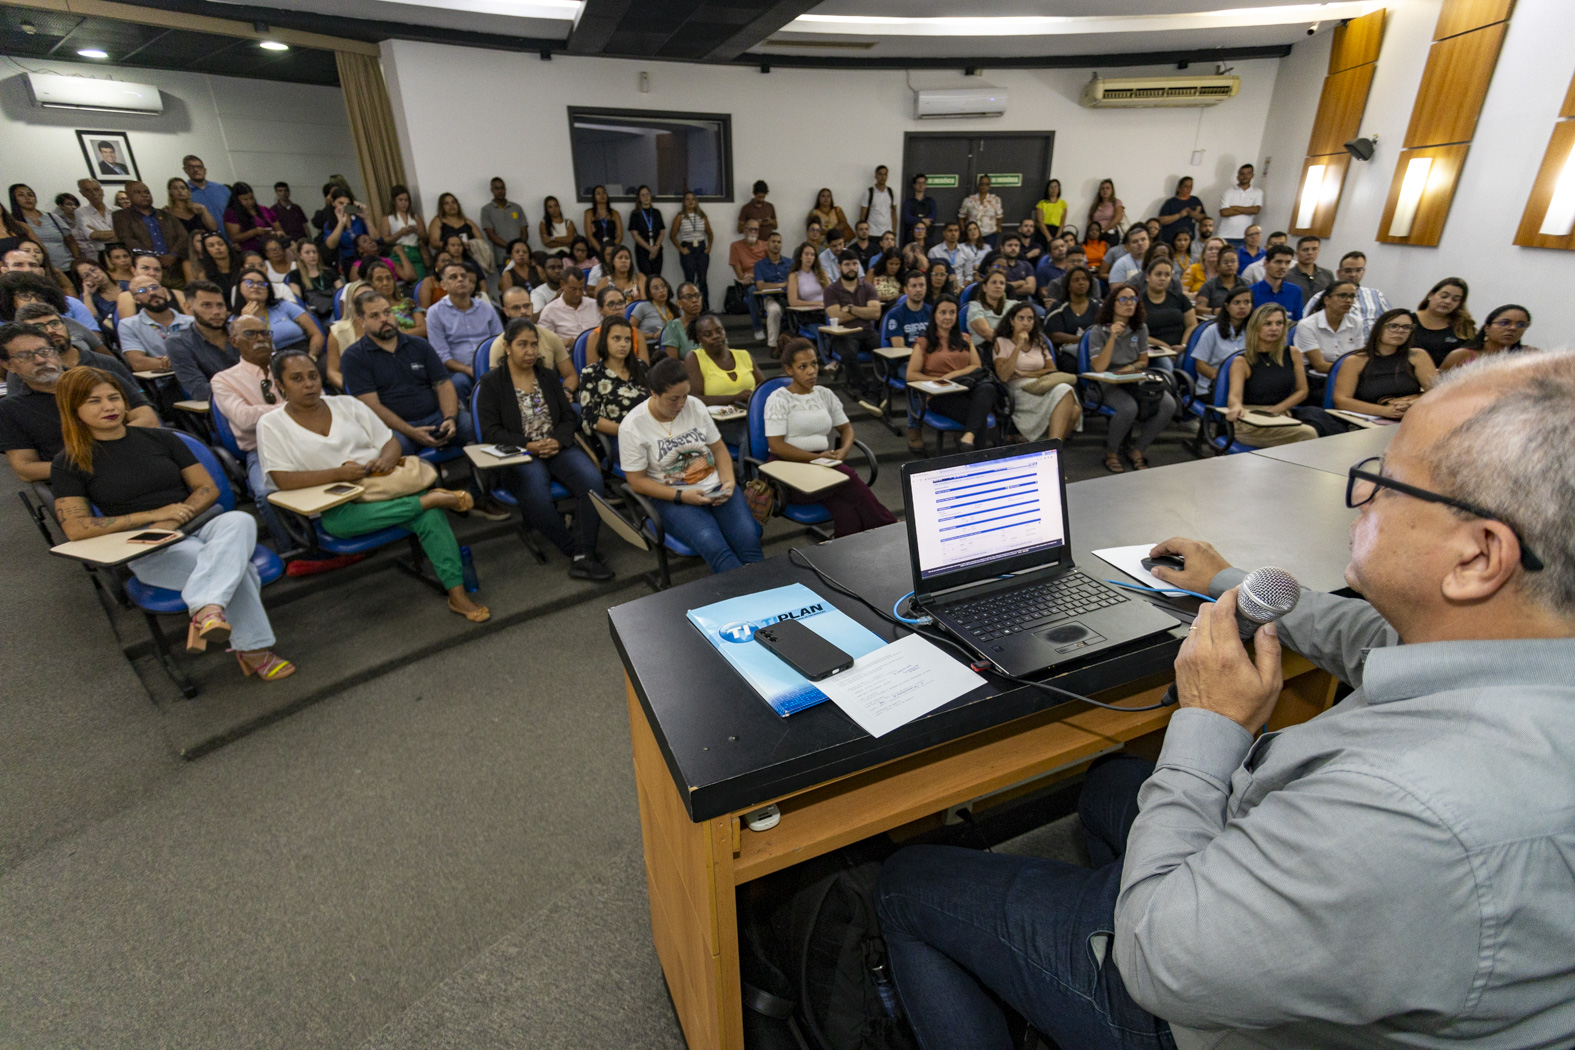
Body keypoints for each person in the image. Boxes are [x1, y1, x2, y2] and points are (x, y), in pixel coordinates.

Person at [878, 350, 1575, 1050]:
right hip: (1313, 894)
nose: (1361, 497)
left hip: (1182, 998)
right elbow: (1371, 637)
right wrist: (1228, 581)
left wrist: (1208, 722)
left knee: (909, 880)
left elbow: (1156, 964)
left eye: (1386, 483)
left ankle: (1070, 978)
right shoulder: (1516, 648)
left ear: (1477, 556)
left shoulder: (1403, 810)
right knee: (1109, 782)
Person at [50, 366, 293, 677]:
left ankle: (205, 609)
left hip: (196, 522)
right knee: (237, 568)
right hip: (146, 542)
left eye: (114, 397)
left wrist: (178, 516)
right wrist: (154, 516)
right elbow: (76, 527)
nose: (109, 407)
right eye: (94, 401)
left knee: (240, 520)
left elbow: (207, 489)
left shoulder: (161, 438)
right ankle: (253, 649)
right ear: (73, 409)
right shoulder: (69, 462)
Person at [259, 348, 490, 622]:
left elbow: (390, 442)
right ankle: (427, 500)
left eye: (312, 376)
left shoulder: (347, 404)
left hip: (383, 485)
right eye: (297, 379)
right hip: (339, 501)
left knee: (430, 518)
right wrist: (338, 474)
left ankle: (457, 594)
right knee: (339, 524)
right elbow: (282, 479)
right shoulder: (271, 424)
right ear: (280, 384)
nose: (309, 384)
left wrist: (387, 459)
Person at [476, 317, 613, 580]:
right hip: (521, 454)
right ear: (507, 347)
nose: (530, 351)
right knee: (537, 497)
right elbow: (490, 431)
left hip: (556, 446)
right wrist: (529, 445)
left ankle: (583, 554)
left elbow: (568, 416)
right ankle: (578, 552)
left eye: (534, 345)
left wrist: (558, 440)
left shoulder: (547, 376)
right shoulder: (492, 382)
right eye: (522, 345)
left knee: (592, 481)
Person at [619, 356, 762, 574]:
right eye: (673, 399)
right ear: (654, 393)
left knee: (748, 538)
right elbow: (636, 482)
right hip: (672, 497)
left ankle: (767, 591)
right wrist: (681, 496)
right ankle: (745, 593)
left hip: (715, 487)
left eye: (685, 396)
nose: (681, 404)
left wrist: (728, 483)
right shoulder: (633, 425)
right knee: (713, 544)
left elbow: (719, 449)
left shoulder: (694, 405)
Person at [765, 336, 897, 537]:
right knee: (847, 477)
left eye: (814, 364)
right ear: (789, 370)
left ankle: (848, 555)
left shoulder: (824, 394)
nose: (811, 371)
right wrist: (816, 458)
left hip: (821, 466)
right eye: (802, 367)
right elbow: (776, 446)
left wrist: (843, 451)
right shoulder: (779, 399)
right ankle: (891, 528)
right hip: (786, 472)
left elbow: (847, 429)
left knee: (848, 513)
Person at [0, 324, 156, 482]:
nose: (40, 360)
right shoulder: (10, 409)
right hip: (84, 479)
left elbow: (149, 420)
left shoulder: (102, 380)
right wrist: (90, 464)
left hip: (138, 459)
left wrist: (110, 449)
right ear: (8, 365)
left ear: (56, 353)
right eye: (25, 356)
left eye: (44, 351)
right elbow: (26, 469)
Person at [339, 291, 468, 458]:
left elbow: (443, 383)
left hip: (436, 417)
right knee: (396, 450)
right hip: (395, 427)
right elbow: (372, 406)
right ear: (361, 322)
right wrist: (411, 432)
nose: (384, 319)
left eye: (387, 312)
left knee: (476, 426)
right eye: (375, 316)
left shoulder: (419, 344)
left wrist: (450, 417)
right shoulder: (353, 357)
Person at [1087, 286, 1173, 472]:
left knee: (1168, 404)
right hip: (1106, 381)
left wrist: (1129, 369)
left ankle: (1137, 450)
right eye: (1123, 299)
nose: (1129, 303)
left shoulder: (1140, 328)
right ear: (1112, 304)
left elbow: (1143, 361)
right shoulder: (1098, 331)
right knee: (1128, 408)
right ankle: (1111, 453)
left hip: (1131, 377)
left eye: (1133, 299)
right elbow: (1099, 367)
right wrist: (1112, 337)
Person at [905, 296, 996, 453]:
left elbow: (976, 366)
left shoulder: (965, 339)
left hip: (965, 388)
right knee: (977, 417)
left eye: (952, 312)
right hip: (940, 395)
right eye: (943, 312)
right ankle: (976, 454)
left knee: (988, 388)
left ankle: (968, 438)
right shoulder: (924, 342)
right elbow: (911, 375)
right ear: (934, 315)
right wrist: (938, 380)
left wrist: (953, 375)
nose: (947, 317)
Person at [1219, 303, 1318, 446]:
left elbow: (1302, 391)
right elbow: (1234, 396)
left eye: (1279, 323)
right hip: (1251, 419)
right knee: (1308, 434)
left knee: (1319, 430)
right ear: (1256, 326)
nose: (1274, 328)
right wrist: (1236, 407)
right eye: (1267, 324)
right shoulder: (1242, 361)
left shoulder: (1293, 353)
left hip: (1281, 415)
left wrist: (1276, 410)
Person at [1329, 306, 1438, 422]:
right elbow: (1342, 401)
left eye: (1407, 327)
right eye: (1393, 326)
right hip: (1369, 420)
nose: (1400, 331)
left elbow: (1438, 391)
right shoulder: (1355, 361)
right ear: (1379, 328)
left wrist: (1411, 403)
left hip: (1413, 416)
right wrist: (1385, 411)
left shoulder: (1418, 356)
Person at [992, 301, 1080, 443]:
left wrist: (1026, 374)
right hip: (1017, 389)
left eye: (1030, 319)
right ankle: (1054, 447)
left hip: (1041, 384)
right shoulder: (1001, 342)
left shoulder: (1039, 341)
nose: (1026, 323)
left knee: (1074, 409)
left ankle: (1052, 445)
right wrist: (1018, 345)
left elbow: (1051, 370)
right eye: (1021, 318)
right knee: (1067, 395)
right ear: (1012, 321)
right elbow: (1004, 376)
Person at [6, 303, 129, 395]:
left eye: (55, 323)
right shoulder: (22, 373)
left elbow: (136, 401)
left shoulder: (106, 363)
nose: (51, 330)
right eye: (39, 327)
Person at [682, 313, 763, 448]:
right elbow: (695, 398)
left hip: (752, 415)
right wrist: (735, 398)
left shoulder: (744, 355)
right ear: (699, 339)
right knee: (751, 437)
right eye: (708, 334)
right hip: (717, 422)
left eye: (719, 331)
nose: (715, 336)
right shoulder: (694, 358)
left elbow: (764, 388)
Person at [424, 261, 502, 401]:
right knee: (459, 383)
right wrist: (470, 370)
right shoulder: (435, 313)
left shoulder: (486, 308)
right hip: (459, 372)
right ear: (443, 285)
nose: (460, 279)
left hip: (490, 365)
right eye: (453, 277)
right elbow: (441, 355)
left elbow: (500, 341)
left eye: (463, 276)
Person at [485, 284, 575, 390]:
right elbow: (496, 386)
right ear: (506, 311)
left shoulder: (550, 337)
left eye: (526, 306)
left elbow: (571, 375)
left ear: (532, 306)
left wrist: (566, 392)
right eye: (516, 308)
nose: (523, 311)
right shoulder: (500, 344)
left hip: (549, 394)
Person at [165, 280, 240, 400]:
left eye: (220, 305)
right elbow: (199, 391)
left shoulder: (242, 332)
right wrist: (247, 387)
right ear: (188, 308)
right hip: (220, 405)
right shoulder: (178, 342)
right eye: (207, 305)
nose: (216, 312)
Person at [579, 314, 650, 438]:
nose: (623, 344)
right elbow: (591, 419)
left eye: (627, 339)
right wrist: (628, 431)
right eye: (616, 338)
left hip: (650, 430)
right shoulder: (591, 373)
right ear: (604, 340)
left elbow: (656, 401)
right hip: (618, 436)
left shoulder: (640, 366)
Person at [231, 266, 322, 357]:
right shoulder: (234, 320)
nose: (256, 286)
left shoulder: (283, 306)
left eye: (261, 283)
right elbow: (244, 350)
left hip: (303, 353)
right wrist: (246, 321)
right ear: (239, 287)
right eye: (249, 282)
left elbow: (316, 334)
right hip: (265, 360)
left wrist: (311, 357)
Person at [1302, 251, 1391, 344]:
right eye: (1348, 271)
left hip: (1371, 347)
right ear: (1339, 273)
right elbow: (1304, 328)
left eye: (1358, 270)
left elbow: (1391, 322)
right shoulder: (1321, 297)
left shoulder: (1376, 296)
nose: (1353, 274)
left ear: (1363, 272)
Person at [118, 273, 194, 372]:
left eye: (154, 287)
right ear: (136, 300)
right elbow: (138, 363)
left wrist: (171, 361)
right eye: (142, 291)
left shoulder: (192, 322)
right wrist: (178, 362)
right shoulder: (128, 325)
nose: (151, 293)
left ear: (164, 291)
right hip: (162, 378)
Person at [111, 181, 188, 278]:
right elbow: (127, 240)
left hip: (176, 266)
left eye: (147, 192)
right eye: (138, 192)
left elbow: (183, 236)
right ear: (129, 196)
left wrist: (173, 255)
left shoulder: (166, 214)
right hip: (146, 269)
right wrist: (154, 257)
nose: (144, 195)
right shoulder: (121, 216)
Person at [823, 250, 882, 373]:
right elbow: (837, 317)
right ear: (839, 267)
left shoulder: (868, 287)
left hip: (867, 331)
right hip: (843, 334)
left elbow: (876, 313)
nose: (852, 268)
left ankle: (880, 383)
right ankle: (860, 384)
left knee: (884, 351)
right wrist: (864, 312)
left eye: (855, 264)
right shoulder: (831, 290)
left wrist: (851, 309)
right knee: (849, 354)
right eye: (847, 264)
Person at [1190, 284, 1254, 397]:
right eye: (1237, 303)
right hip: (1212, 388)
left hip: (1244, 389)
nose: (1242, 307)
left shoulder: (1253, 332)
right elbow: (1200, 366)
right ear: (1227, 306)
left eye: (1247, 302)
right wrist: (1224, 379)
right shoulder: (1212, 331)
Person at [1292, 278, 1362, 373]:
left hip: (1349, 374)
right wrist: (1352, 370)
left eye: (1352, 296)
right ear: (1327, 300)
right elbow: (1320, 366)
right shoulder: (1307, 325)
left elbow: (1359, 358)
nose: (1348, 300)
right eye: (1342, 296)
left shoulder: (1356, 323)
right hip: (1317, 377)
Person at [1136, 258, 1196, 362]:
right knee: (1165, 363)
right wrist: (1164, 346)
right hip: (1152, 349)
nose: (1163, 278)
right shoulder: (1137, 302)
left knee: (1191, 361)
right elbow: (1136, 333)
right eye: (1158, 274)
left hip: (1180, 349)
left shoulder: (1180, 298)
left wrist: (1183, 345)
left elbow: (1191, 325)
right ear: (1148, 277)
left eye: (1167, 275)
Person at [9, 184, 78, 273]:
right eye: (21, 195)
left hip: (68, 266)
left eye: (30, 195)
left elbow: (71, 241)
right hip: (41, 270)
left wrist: (77, 260)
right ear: (14, 199)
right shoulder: (14, 222)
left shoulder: (52, 217)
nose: (27, 198)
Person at [1043, 265, 1101, 370]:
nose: (1081, 283)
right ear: (1068, 286)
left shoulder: (1097, 306)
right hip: (1066, 352)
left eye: (1084, 279)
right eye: (1076, 280)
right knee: (1071, 364)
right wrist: (1083, 340)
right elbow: (1055, 336)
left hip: (1094, 349)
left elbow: (1105, 328)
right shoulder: (1058, 306)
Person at [1442, 304, 1533, 369]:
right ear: (1487, 328)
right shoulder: (1462, 355)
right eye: (1504, 323)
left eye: (1521, 324)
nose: (1513, 328)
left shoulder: (1530, 355)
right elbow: (1440, 386)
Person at [1412, 277, 1475, 367]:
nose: (1448, 301)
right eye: (1444, 296)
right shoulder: (1408, 321)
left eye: (1455, 299)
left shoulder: (1463, 327)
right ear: (1430, 295)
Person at [536, 268, 601, 345]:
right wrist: (562, 343)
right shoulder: (550, 310)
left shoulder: (595, 305)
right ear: (562, 284)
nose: (578, 293)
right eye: (573, 289)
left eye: (581, 289)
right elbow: (544, 342)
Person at [729, 219, 769, 340]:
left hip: (765, 280)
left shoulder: (765, 245)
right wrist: (752, 277)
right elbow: (740, 275)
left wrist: (755, 275)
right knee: (752, 292)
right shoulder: (735, 246)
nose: (753, 231)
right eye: (750, 229)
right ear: (744, 230)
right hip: (748, 283)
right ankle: (758, 328)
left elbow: (769, 268)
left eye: (755, 229)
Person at [380, 184, 426, 282]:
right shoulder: (388, 218)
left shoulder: (415, 217)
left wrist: (417, 232)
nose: (404, 203)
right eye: (400, 200)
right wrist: (400, 233)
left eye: (406, 200)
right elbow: (385, 240)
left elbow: (425, 237)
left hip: (415, 251)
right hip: (398, 252)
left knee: (420, 282)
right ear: (394, 201)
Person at [752, 232, 791, 348]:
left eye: (779, 242)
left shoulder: (790, 263)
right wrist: (782, 284)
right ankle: (773, 346)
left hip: (790, 297)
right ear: (767, 245)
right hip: (771, 298)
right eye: (773, 242)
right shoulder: (759, 265)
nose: (776, 244)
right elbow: (760, 286)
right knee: (774, 310)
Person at [479, 178, 526, 272]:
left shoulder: (516, 208)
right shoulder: (486, 210)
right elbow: (491, 235)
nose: (500, 191)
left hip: (522, 256)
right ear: (492, 190)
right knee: (507, 281)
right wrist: (511, 247)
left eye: (502, 188)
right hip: (502, 257)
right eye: (497, 188)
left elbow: (524, 230)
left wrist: (519, 248)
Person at [289, 240, 342, 324]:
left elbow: (342, 292)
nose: (312, 255)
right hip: (313, 315)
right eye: (307, 252)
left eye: (314, 252)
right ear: (300, 256)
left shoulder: (329, 272)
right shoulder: (295, 275)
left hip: (334, 310)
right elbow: (297, 300)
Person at [322, 189, 373, 273]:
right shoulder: (329, 224)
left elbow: (376, 238)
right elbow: (330, 245)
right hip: (346, 261)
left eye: (348, 204)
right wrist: (341, 223)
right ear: (333, 203)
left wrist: (366, 218)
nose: (344, 207)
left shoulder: (358, 218)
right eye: (341, 203)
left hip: (366, 257)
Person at [882, 270, 933, 349]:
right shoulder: (895, 314)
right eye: (914, 286)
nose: (918, 289)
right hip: (906, 355)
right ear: (906, 290)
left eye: (921, 285)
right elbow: (899, 348)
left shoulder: (932, 311)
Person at [223, 182, 281, 250]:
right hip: (249, 249)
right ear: (237, 200)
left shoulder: (264, 210)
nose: (249, 202)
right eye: (245, 199)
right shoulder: (231, 214)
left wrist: (276, 233)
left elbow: (278, 228)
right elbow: (234, 237)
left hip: (270, 246)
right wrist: (254, 232)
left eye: (251, 198)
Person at [1250, 244, 1303, 317]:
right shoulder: (1252, 292)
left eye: (1287, 263)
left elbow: (1298, 320)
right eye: (1278, 262)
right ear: (1266, 264)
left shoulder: (1295, 291)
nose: (1283, 266)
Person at [786, 241, 828, 330]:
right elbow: (793, 302)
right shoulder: (794, 276)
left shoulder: (822, 273)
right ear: (800, 256)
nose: (809, 257)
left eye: (812, 255)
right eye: (806, 254)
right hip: (809, 315)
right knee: (823, 332)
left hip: (826, 311)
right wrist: (816, 303)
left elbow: (831, 292)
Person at [1216, 162, 1262, 244]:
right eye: (1242, 174)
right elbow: (1224, 212)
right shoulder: (1228, 192)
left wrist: (1235, 207)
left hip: (1244, 236)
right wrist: (1248, 210)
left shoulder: (1257, 192)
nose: (1245, 176)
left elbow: (1255, 210)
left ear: (1252, 175)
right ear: (1238, 176)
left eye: (1248, 173)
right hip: (1225, 235)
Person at [1194, 245, 1245, 318]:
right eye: (1225, 262)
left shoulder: (1243, 284)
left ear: (1238, 264)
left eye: (1233, 261)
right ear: (1218, 266)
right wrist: (1215, 311)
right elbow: (1198, 308)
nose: (1229, 265)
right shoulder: (1209, 285)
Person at [966, 269, 1014, 344]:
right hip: (983, 349)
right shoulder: (975, 306)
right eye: (994, 282)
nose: (998, 286)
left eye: (1002, 283)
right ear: (984, 287)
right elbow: (986, 333)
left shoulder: (1012, 305)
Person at [72, 178, 116, 259]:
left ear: (102, 191)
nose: (93, 193)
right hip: (102, 254)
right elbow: (93, 235)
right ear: (82, 193)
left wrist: (99, 233)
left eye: (96, 189)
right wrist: (118, 233)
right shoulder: (81, 212)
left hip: (123, 250)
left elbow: (127, 234)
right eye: (88, 191)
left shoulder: (117, 210)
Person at [627, 186, 665, 278]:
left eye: (647, 194)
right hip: (642, 251)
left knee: (657, 277)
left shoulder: (656, 212)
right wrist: (649, 249)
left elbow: (662, 231)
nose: (646, 197)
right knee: (646, 277)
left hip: (657, 250)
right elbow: (635, 235)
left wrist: (655, 247)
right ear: (639, 198)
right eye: (643, 195)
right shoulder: (635, 214)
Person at [1157, 176, 1206, 246]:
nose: (1188, 189)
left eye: (1190, 187)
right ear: (1179, 188)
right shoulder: (1171, 202)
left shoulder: (1195, 200)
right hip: (1170, 240)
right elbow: (1161, 220)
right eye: (1186, 187)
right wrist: (1179, 215)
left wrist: (1195, 215)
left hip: (1188, 240)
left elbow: (1204, 218)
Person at [958, 175, 1004, 247]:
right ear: (978, 185)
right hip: (973, 234)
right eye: (981, 184)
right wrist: (964, 230)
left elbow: (999, 216)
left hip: (990, 234)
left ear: (989, 186)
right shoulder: (969, 200)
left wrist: (998, 229)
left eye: (986, 184)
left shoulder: (995, 200)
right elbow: (961, 216)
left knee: (988, 253)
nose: (983, 186)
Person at [926, 222, 977, 286]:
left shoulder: (967, 252)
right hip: (941, 286)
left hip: (961, 287)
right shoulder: (934, 252)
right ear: (944, 233)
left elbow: (969, 276)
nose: (953, 233)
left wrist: (961, 288)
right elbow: (930, 275)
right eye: (950, 231)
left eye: (956, 230)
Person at [631, 274, 676, 343]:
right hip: (648, 345)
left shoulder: (673, 308)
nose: (661, 290)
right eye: (656, 288)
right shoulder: (642, 306)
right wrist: (652, 335)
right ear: (649, 293)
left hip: (669, 345)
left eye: (663, 286)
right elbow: (628, 331)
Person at [856, 165, 896, 242]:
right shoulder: (868, 192)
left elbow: (894, 214)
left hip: (887, 234)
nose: (883, 177)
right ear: (876, 176)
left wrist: (894, 233)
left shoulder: (891, 192)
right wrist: (862, 234)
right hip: (872, 233)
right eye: (880, 174)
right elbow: (862, 215)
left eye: (885, 174)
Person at [581, 185, 622, 258]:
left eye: (603, 192)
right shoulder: (589, 213)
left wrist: (612, 250)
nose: (602, 195)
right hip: (596, 248)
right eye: (598, 193)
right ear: (594, 197)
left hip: (612, 249)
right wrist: (601, 251)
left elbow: (620, 235)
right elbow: (589, 236)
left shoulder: (615, 213)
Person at [997, 233, 1037, 300]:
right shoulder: (997, 265)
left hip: (1024, 302)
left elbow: (1031, 289)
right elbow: (997, 287)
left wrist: (1008, 288)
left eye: (1016, 245)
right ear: (1002, 248)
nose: (1013, 248)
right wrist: (1021, 282)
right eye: (1010, 245)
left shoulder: (1026, 265)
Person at [902, 174, 938, 247]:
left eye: (923, 183)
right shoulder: (908, 203)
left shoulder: (931, 201)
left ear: (925, 185)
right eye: (918, 183)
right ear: (914, 185)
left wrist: (917, 220)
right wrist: (922, 220)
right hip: (910, 237)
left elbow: (932, 218)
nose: (921, 185)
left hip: (928, 237)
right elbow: (907, 218)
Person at [1034, 178, 1067, 244]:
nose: (1054, 189)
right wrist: (1048, 237)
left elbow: (1062, 222)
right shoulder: (1041, 203)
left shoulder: (1063, 203)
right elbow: (1040, 221)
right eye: (1051, 187)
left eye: (1056, 187)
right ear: (1047, 189)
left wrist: (1057, 237)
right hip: (1043, 231)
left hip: (1057, 230)